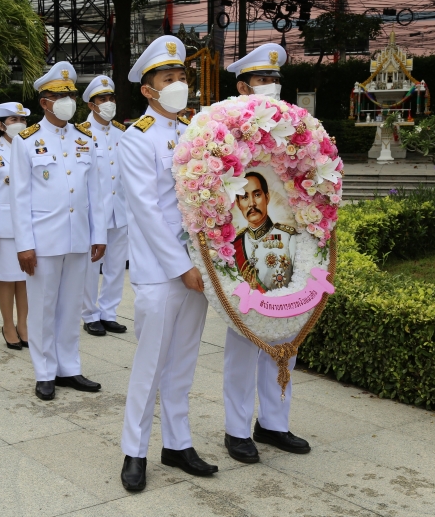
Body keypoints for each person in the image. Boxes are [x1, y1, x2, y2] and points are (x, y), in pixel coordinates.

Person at [118, 35, 217, 492]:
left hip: (200, 269)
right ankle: (134, 451)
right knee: (151, 362)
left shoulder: (196, 132)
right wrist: (182, 266)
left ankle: (177, 443)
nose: (179, 84)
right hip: (163, 271)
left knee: (183, 360)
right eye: (168, 78)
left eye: (182, 76)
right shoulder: (136, 139)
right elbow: (147, 211)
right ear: (148, 89)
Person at [222, 43, 311, 464]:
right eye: (262, 80)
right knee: (244, 339)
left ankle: (274, 423)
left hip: (287, 242)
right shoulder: (223, 129)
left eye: (275, 80)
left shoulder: (296, 127)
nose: (271, 87)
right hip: (238, 246)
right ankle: (237, 430)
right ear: (242, 86)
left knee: (285, 341)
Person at [9, 61, 106, 401]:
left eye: (71, 94)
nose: (67, 100)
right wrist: (24, 245)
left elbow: (96, 191)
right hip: (42, 240)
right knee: (43, 307)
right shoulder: (25, 141)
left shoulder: (85, 138)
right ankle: (44, 371)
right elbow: (18, 197)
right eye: (59, 95)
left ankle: (69, 368)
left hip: (78, 237)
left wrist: (99, 235)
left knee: (70, 307)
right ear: (44, 102)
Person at [79, 76, 129, 337]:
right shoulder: (79, 134)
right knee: (90, 266)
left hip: (119, 210)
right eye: (102, 99)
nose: (108, 103)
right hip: (92, 212)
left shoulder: (122, 133)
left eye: (111, 98)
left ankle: (109, 312)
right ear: (91, 104)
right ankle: (89, 314)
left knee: (116, 265)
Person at [0, 102, 30, 350]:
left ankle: (24, 324)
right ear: (1, 125)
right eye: (13, 120)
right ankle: (8, 324)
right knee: (7, 279)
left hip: (28, 225)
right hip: (4, 227)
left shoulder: (32, 147)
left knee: (25, 279)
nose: (19, 123)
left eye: (22, 119)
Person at [232, 172, 297, 292]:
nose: (252, 203)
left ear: (267, 198)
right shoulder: (234, 244)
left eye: (257, 195)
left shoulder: (288, 237)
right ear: (238, 204)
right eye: (245, 197)